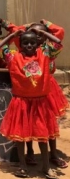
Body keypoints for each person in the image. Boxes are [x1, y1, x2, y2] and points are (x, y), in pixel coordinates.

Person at [0, 29, 62, 179]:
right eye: (25, 42)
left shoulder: (44, 54)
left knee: (43, 136)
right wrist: (12, 36)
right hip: (21, 102)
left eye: (33, 42)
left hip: (40, 102)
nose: (29, 45)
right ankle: (23, 166)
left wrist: (42, 34)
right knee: (20, 137)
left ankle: (46, 167)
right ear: (20, 44)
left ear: (38, 43)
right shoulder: (13, 57)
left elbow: (58, 43)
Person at [24, 20, 68, 168]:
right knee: (28, 122)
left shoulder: (48, 50)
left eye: (40, 34)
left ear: (46, 36)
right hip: (29, 90)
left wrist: (45, 26)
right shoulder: (25, 48)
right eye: (34, 33)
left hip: (47, 90)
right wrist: (28, 28)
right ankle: (29, 152)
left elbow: (59, 38)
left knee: (48, 123)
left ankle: (53, 155)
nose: (37, 37)